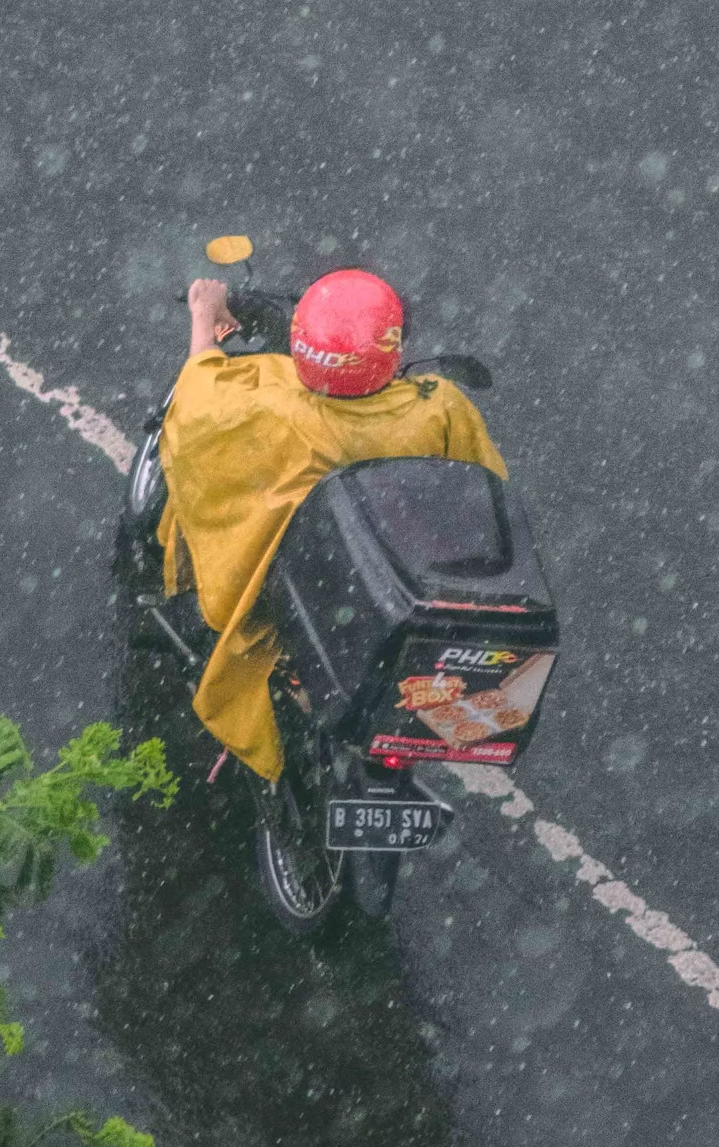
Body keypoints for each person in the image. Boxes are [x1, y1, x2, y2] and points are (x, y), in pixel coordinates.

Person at [158, 265, 506, 785]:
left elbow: (193, 402)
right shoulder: (439, 408)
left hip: (302, 588)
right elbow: (486, 488)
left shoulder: (263, 405)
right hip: (399, 585)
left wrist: (205, 316)